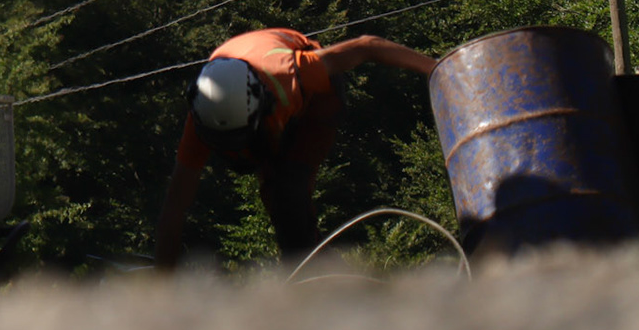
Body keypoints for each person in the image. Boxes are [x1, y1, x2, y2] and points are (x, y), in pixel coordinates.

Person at [152, 28, 436, 269]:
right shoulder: (203, 119)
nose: (236, 150)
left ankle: (316, 273)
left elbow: (367, 46)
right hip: (262, 100)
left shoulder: (295, 71)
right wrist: (162, 290)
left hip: (316, 99)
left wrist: (437, 70)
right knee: (277, 202)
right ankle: (308, 264)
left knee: (288, 193)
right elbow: (174, 208)